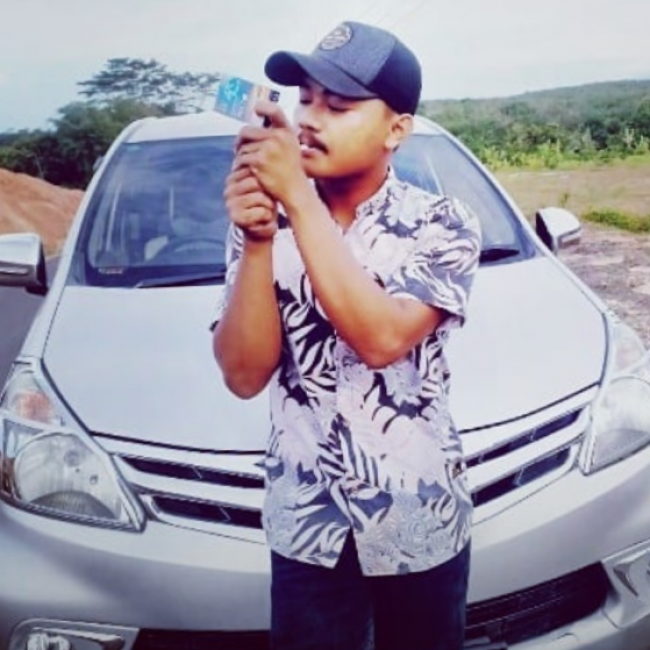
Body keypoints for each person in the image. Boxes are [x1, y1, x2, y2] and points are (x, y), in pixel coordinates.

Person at [212, 20, 481, 650]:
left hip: (419, 516)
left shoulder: (442, 223)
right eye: (305, 100)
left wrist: (297, 201)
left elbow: (382, 339)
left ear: (396, 129)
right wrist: (258, 240)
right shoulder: (264, 219)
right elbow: (244, 375)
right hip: (308, 527)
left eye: (338, 107)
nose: (310, 119)